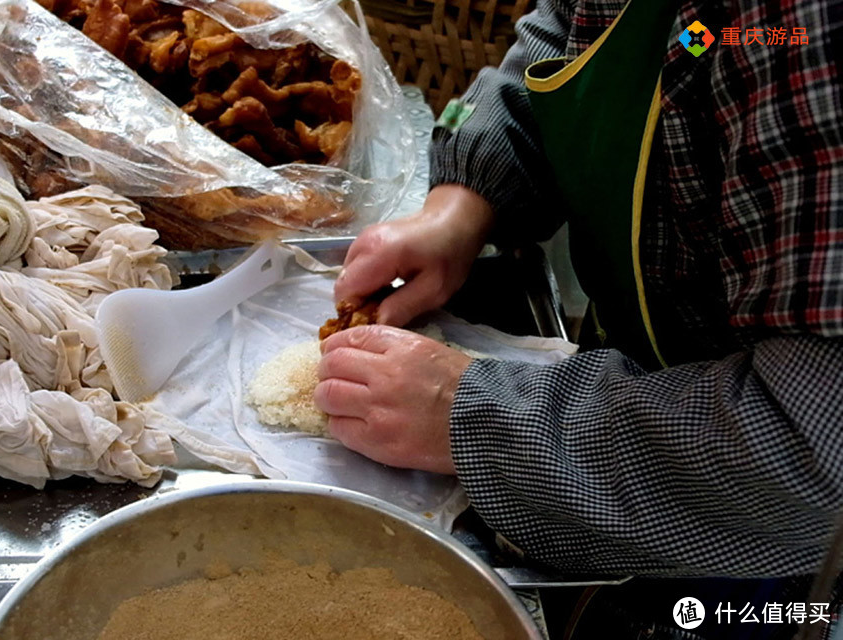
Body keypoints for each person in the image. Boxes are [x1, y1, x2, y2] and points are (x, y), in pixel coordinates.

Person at [315, 0, 843, 635]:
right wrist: (461, 207)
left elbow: (812, 454)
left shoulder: (809, 33)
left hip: (756, 523)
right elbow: (582, 37)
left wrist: (476, 414)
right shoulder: (725, 25)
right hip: (628, 368)